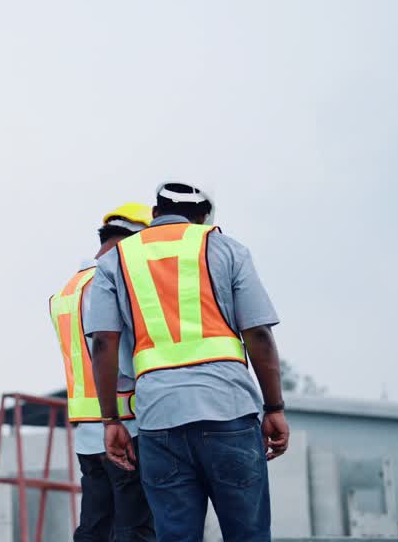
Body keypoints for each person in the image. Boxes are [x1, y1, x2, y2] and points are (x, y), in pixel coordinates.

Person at [85, 182, 288, 542]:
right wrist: (274, 407)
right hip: (230, 413)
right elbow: (258, 335)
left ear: (155, 214)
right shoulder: (227, 248)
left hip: (159, 422)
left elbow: (103, 342)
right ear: (203, 218)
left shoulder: (116, 261)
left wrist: (110, 419)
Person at [49, 203, 155, 542]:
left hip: (87, 433)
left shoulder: (67, 290)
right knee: (134, 528)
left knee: (95, 526)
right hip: (125, 428)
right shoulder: (108, 283)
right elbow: (122, 363)